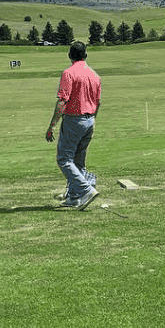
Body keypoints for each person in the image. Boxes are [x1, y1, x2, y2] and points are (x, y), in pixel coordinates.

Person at [46, 41, 101, 209]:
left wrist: (52, 126)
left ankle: (86, 190)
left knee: (64, 159)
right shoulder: (94, 75)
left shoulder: (68, 73)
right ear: (85, 55)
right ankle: (74, 197)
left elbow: (63, 101)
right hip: (90, 120)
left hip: (73, 120)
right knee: (78, 162)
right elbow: (98, 103)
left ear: (70, 55)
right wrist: (92, 120)